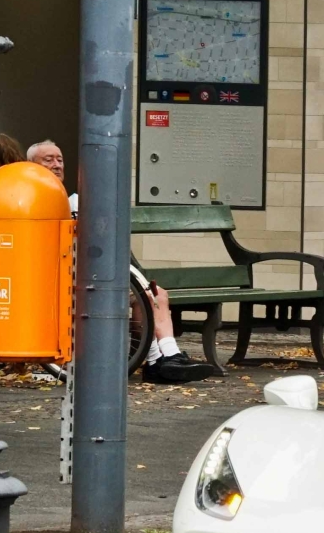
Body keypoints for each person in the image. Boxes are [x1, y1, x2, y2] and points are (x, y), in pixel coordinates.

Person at [23, 139, 215, 384]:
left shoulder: (75, 201)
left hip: (93, 271)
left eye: (59, 159)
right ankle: (159, 362)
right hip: (61, 277)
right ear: (31, 165)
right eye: (48, 159)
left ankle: (169, 356)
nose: (56, 164)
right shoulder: (31, 200)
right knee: (140, 293)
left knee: (156, 295)